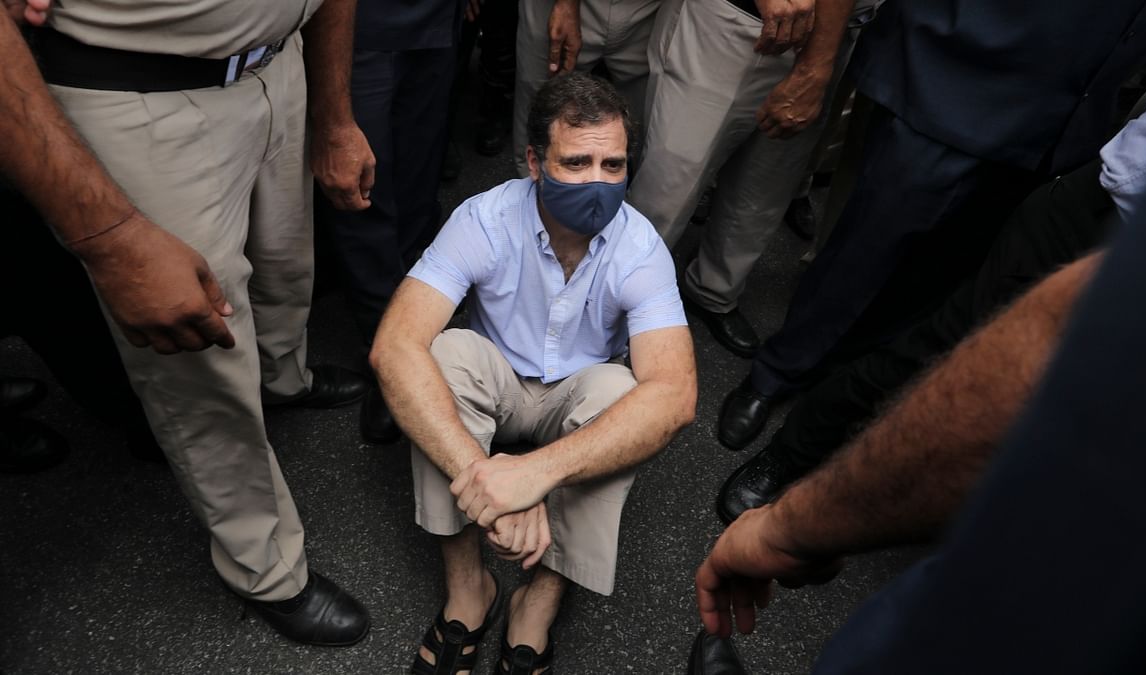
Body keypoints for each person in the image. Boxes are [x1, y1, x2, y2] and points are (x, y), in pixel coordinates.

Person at [694, 109, 1146, 675]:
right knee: (935, 351)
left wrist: (792, 530)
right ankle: (794, 446)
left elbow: (989, 417)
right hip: (1107, 212)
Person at [0, 0, 373, 644]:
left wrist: (335, 117)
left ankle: (284, 380)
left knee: (286, 260)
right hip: (141, 90)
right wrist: (110, 235)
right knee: (200, 351)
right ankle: (265, 565)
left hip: (282, 62)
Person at [714, 40, 1146, 523]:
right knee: (942, 344)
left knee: (1069, 406)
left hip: (1120, 199)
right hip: (1103, 211)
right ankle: (795, 450)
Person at [371, 73, 697, 673]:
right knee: (443, 356)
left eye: (613, 164)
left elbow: (675, 395)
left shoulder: (641, 248)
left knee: (622, 392)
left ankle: (537, 604)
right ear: (533, 162)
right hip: (497, 382)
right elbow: (394, 346)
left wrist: (536, 474)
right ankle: (470, 592)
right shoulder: (484, 219)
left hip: (575, 395)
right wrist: (487, 480)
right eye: (576, 162)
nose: (597, 182)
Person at [628, 0, 876, 358]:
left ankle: (713, 291)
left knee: (765, 186)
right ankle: (617, 299)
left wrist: (818, 62)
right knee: (671, 179)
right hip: (736, 17)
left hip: (833, 33)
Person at [316, 0, 465, 444]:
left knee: (419, 180)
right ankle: (390, 353)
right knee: (365, 189)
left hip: (436, 19)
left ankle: (418, 310)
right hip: (361, 28)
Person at [511, 0, 814, 177]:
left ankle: (601, 256)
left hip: (655, 7)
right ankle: (530, 234)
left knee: (637, 133)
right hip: (558, 5)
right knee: (541, 117)